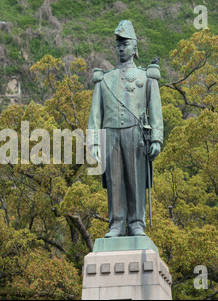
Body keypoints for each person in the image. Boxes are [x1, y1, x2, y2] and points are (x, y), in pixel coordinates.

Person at [88, 20, 163, 237]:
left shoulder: (146, 77)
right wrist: (93, 141)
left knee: (135, 179)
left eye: (126, 44)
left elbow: (155, 109)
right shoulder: (104, 79)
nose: (121, 48)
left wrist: (156, 138)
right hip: (110, 134)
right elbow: (95, 115)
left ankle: (137, 222)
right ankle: (117, 224)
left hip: (136, 134)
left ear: (135, 47)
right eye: (118, 45)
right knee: (114, 181)